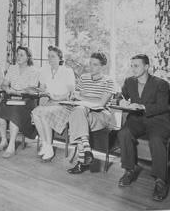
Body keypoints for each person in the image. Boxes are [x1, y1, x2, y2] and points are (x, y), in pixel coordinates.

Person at [117, 54, 170, 201]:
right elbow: (120, 95)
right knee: (124, 133)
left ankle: (161, 181)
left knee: (156, 139)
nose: (132, 69)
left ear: (146, 67)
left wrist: (142, 106)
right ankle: (129, 169)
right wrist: (121, 101)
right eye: (131, 65)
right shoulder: (129, 82)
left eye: (136, 66)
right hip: (137, 120)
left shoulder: (161, 84)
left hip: (158, 121)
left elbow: (163, 106)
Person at [67, 52, 116, 174]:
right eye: (90, 63)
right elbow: (75, 95)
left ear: (103, 67)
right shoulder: (84, 78)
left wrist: (82, 98)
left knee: (77, 116)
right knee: (78, 112)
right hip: (83, 112)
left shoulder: (109, 81)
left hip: (101, 115)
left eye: (95, 64)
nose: (90, 67)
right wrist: (79, 98)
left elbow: (101, 103)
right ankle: (87, 151)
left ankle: (81, 161)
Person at [31, 46, 75, 161]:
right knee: (35, 112)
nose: (50, 58)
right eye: (49, 56)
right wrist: (42, 91)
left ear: (60, 58)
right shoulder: (44, 71)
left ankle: (49, 147)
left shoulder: (67, 71)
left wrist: (58, 97)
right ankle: (45, 143)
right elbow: (42, 87)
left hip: (64, 104)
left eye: (53, 56)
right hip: (50, 102)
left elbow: (71, 93)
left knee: (44, 113)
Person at [0, 46, 39, 158]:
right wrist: (7, 89)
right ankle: (4, 140)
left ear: (28, 57)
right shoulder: (12, 68)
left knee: (15, 112)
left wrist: (20, 91)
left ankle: (11, 145)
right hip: (11, 97)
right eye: (17, 54)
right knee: (0, 110)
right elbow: (4, 83)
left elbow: (33, 89)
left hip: (27, 100)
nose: (18, 57)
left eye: (22, 55)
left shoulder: (33, 70)